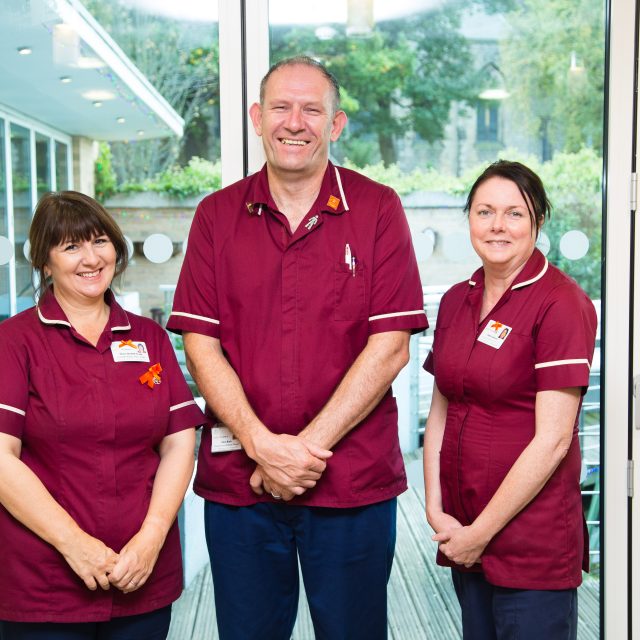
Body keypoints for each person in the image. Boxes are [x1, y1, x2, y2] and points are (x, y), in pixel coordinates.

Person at [166, 55, 428, 640]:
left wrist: (297, 455)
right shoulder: (215, 216)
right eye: (282, 107)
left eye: (313, 109)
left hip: (350, 483)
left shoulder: (379, 209)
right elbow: (199, 343)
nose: (296, 121)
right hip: (242, 483)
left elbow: (389, 347)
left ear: (335, 126)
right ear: (257, 118)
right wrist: (261, 446)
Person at [0, 191, 204, 640]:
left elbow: (179, 439)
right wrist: (76, 546)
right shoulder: (14, 342)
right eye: (71, 246)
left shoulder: (148, 337)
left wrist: (152, 537)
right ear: (45, 262)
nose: (91, 258)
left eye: (99, 241)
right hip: (45, 586)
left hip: (141, 573)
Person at [423, 161, 597, 640]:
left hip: (530, 542)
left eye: (514, 213)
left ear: (538, 221)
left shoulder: (561, 304)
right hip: (462, 528)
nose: (497, 225)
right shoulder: (458, 299)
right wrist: (436, 509)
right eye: (484, 211)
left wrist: (479, 534)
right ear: (470, 220)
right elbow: (441, 408)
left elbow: (554, 440)